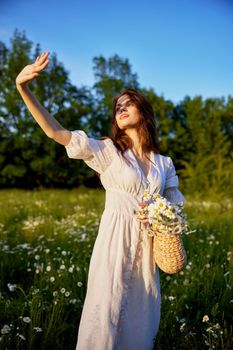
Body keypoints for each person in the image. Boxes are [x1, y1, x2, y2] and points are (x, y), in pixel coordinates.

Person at [16, 52, 185, 350]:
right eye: (116, 107)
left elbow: (175, 208)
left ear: (143, 111)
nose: (120, 108)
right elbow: (56, 132)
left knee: (140, 319)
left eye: (127, 103)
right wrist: (23, 89)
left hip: (147, 250)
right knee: (104, 316)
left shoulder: (165, 163)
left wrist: (161, 216)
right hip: (114, 243)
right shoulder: (108, 152)